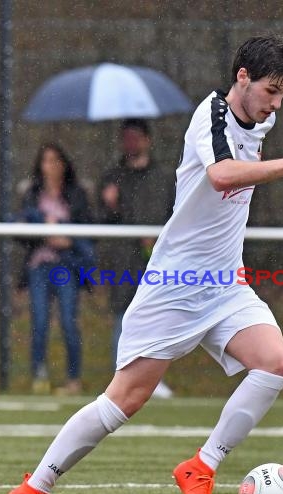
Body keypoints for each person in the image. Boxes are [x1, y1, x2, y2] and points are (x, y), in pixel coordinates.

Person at [4, 36, 283, 494]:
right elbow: (223, 176)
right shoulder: (212, 114)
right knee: (124, 401)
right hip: (176, 283)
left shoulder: (262, 117)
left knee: (275, 363)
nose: (276, 104)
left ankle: (201, 467)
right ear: (242, 76)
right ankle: (32, 492)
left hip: (225, 282)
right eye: (271, 89)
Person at [98, 119, 174, 398]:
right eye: (126, 138)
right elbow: (102, 222)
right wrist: (110, 205)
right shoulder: (112, 177)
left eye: (136, 138)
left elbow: (175, 214)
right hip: (122, 260)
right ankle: (121, 380)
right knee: (122, 316)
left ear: (147, 140)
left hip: (158, 259)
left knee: (157, 319)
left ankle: (152, 380)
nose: (131, 143)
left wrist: (159, 240)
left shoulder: (165, 177)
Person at [16, 142, 94, 396]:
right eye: (46, 160)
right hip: (39, 264)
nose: (51, 166)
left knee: (68, 322)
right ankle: (39, 375)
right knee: (39, 321)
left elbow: (87, 232)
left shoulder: (76, 193)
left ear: (64, 164)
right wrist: (44, 232)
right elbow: (20, 230)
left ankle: (73, 379)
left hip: (66, 266)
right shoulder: (32, 193)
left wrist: (65, 237)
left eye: (55, 160)